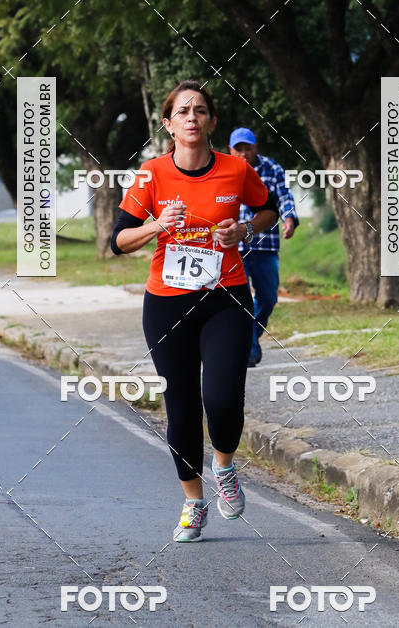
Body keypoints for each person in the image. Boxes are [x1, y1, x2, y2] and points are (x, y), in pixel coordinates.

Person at [110, 80, 279, 542]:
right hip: (167, 304)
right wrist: (156, 226)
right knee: (181, 407)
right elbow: (118, 240)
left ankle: (224, 467)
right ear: (168, 124)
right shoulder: (150, 175)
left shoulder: (235, 169)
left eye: (200, 110)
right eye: (182, 111)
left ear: (211, 121)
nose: (191, 117)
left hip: (226, 298)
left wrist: (244, 230)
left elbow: (268, 209)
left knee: (222, 398)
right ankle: (192, 502)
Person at [229, 128, 299, 367]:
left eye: (247, 148)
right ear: (230, 150)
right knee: (240, 300)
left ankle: (250, 337)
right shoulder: (224, 169)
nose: (243, 153)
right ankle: (248, 350)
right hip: (235, 246)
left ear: (256, 148)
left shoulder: (272, 168)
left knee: (268, 298)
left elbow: (285, 196)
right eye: (238, 149)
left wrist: (289, 218)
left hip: (266, 243)